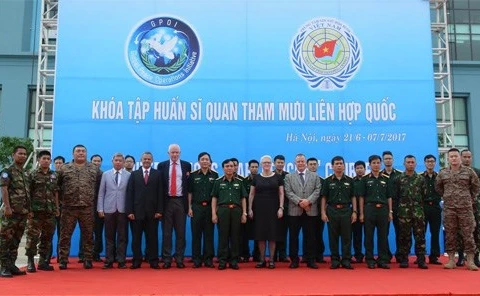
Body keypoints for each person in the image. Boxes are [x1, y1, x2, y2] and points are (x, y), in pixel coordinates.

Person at [56, 144, 102, 270]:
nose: (81, 153)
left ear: (86, 154)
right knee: (65, 235)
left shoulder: (94, 168)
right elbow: (56, 187)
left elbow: (101, 187)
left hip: (87, 208)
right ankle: (63, 260)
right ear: (73, 154)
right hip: (68, 208)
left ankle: (88, 259)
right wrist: (59, 203)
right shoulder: (64, 168)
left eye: (83, 151)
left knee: (88, 235)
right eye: (78, 151)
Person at [436, 148, 480, 271]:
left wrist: (468, 198)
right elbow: (438, 187)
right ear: (448, 159)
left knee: (468, 234)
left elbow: (476, 187)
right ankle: (451, 260)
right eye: (451, 157)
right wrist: (447, 196)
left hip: (465, 208)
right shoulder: (443, 173)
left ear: (459, 157)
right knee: (450, 234)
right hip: (449, 208)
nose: (454, 158)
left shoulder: (469, 172)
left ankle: (470, 261)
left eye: (456, 156)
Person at [126, 151, 163, 269]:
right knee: (136, 238)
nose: (146, 161)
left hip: (153, 213)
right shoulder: (134, 174)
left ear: (152, 161)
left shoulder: (158, 174)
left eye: (148, 159)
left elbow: (160, 194)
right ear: (141, 160)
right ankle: (136, 260)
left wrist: (159, 210)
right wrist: (130, 211)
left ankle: (153, 260)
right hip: (136, 213)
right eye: (144, 159)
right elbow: (129, 193)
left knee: (152, 238)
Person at [284, 153, 321, 269]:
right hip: (294, 211)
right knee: (293, 237)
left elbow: (317, 191)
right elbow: (288, 192)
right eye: (298, 161)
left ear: (306, 163)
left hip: (310, 210)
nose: (300, 163)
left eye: (302, 161)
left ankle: (310, 260)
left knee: (310, 236)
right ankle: (294, 260)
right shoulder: (289, 177)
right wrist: (300, 202)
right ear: (295, 163)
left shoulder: (315, 176)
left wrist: (308, 202)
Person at [158, 144, 191, 269]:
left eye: (177, 152)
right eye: (172, 152)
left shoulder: (186, 165)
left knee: (180, 233)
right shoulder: (162, 166)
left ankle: (179, 258)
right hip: (167, 202)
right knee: (167, 233)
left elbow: (188, 187)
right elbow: (160, 187)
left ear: (180, 153)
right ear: (168, 153)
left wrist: (188, 206)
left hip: (180, 202)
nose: (175, 155)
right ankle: (166, 259)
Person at [25, 150, 59, 273]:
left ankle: (43, 261)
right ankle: (30, 261)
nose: (46, 161)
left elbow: (56, 192)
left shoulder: (54, 175)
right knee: (32, 237)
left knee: (47, 237)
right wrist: (29, 209)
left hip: (49, 212)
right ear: (39, 160)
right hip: (35, 212)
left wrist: (57, 208)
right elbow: (28, 193)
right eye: (43, 158)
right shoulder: (32, 174)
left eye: (48, 159)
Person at [248, 155, 285, 269]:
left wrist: (281, 207)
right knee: (261, 235)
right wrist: (249, 208)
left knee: (272, 235)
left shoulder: (278, 177)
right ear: (261, 165)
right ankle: (262, 259)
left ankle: (272, 260)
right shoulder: (256, 178)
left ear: (271, 164)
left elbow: (281, 193)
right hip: (259, 209)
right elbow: (252, 194)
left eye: (269, 163)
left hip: (274, 208)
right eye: (264, 163)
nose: (267, 165)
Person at [321, 156, 356, 269]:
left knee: (347, 237)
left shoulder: (350, 181)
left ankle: (346, 260)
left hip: (346, 210)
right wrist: (323, 212)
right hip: (332, 210)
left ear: (344, 166)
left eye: (341, 163)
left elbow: (353, 197)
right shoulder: (327, 181)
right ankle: (335, 260)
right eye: (336, 164)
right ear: (332, 166)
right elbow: (324, 198)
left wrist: (354, 211)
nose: (339, 165)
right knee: (333, 237)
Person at [0, 145, 31, 277]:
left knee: (16, 240)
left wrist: (28, 210)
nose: (23, 156)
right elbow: (4, 189)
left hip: (22, 212)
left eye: (24, 154)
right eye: (20, 153)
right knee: (5, 240)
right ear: (14, 155)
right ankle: (3, 267)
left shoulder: (25, 173)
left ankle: (12, 265)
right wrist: (7, 207)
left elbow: (27, 193)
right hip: (10, 212)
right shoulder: (8, 171)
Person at [211, 159, 247, 270]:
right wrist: (213, 213)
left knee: (235, 236)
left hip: (236, 211)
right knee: (223, 236)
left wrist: (244, 213)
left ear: (234, 167)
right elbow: (214, 198)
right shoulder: (218, 181)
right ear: (223, 168)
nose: (230, 168)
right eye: (227, 166)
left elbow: (243, 198)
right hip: (223, 210)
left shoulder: (239, 182)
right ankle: (222, 261)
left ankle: (234, 261)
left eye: (231, 166)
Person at [358, 154, 393, 269]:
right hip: (369, 209)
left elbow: (389, 197)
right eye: (374, 163)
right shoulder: (365, 179)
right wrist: (362, 213)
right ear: (370, 165)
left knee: (383, 236)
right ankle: (370, 259)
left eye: (378, 163)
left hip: (383, 209)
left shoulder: (386, 179)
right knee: (369, 236)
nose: (376, 165)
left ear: (381, 163)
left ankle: (382, 259)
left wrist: (390, 211)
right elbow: (361, 197)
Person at [393, 155, 428, 269]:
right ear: (404, 164)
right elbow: (396, 196)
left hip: (418, 213)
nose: (410, 164)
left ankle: (421, 260)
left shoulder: (421, 179)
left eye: (412, 162)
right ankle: (404, 259)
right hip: (404, 213)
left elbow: (424, 195)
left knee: (420, 237)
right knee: (404, 237)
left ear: (416, 164)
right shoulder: (398, 179)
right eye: (408, 162)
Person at [97, 153, 130, 269]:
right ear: (112, 161)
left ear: (124, 162)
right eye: (116, 160)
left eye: (120, 160)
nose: (118, 162)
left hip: (123, 210)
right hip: (108, 210)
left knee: (122, 237)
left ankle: (121, 261)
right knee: (109, 237)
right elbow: (101, 193)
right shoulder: (106, 175)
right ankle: (109, 260)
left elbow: (130, 195)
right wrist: (100, 209)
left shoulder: (128, 175)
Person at [187, 152, 218, 268]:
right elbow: (189, 192)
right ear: (199, 161)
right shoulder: (193, 175)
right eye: (202, 159)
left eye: (207, 159)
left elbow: (216, 195)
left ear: (210, 161)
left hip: (210, 207)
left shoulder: (215, 175)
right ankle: (196, 259)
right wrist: (189, 207)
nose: (205, 161)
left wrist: (215, 210)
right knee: (196, 234)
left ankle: (208, 259)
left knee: (209, 234)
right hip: (196, 207)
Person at [78, 154, 104, 263]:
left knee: (98, 232)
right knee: (85, 231)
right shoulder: (85, 173)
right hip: (86, 206)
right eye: (94, 161)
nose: (96, 163)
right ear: (91, 161)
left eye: (98, 161)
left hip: (98, 207)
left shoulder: (104, 175)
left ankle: (96, 253)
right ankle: (82, 254)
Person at [456, 149, 480, 267]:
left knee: (475, 232)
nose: (467, 159)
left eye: (469, 157)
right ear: (460, 157)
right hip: (460, 207)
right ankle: (460, 256)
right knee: (460, 232)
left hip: (475, 207)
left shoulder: (477, 172)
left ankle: (475, 257)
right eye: (464, 156)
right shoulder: (455, 172)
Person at [381, 151, 402, 263]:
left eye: (390, 158)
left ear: (393, 160)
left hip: (398, 206)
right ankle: (386, 255)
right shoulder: (379, 175)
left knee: (400, 232)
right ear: (383, 161)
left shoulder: (399, 174)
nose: (388, 160)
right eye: (386, 159)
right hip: (384, 207)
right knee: (384, 232)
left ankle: (400, 254)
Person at [422, 154, 442, 265]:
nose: (430, 163)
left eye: (432, 161)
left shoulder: (439, 177)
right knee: (421, 233)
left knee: (435, 232)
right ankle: (421, 256)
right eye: (428, 161)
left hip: (435, 207)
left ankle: (434, 256)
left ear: (435, 163)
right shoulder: (420, 177)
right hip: (423, 207)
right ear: (425, 163)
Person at [307, 157, 326, 263]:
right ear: (307, 166)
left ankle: (319, 255)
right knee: (308, 234)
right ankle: (307, 255)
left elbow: (324, 197)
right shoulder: (302, 179)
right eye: (311, 164)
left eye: (315, 164)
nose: (313, 166)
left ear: (317, 166)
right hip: (305, 211)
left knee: (318, 234)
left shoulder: (323, 181)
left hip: (318, 211)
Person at [231, 157, 250, 262]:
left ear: (238, 166)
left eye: (235, 165)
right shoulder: (221, 179)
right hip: (227, 211)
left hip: (240, 210)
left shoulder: (243, 180)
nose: (233, 167)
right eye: (231, 165)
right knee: (229, 234)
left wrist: (244, 212)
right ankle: (230, 254)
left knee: (242, 234)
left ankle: (243, 254)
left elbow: (245, 197)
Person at [272, 154, 290, 263]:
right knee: (274, 231)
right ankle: (273, 255)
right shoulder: (270, 175)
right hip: (272, 207)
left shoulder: (288, 176)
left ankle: (283, 254)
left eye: (282, 162)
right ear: (274, 163)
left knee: (283, 231)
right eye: (278, 162)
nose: (280, 164)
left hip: (286, 207)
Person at [48, 155, 65, 264]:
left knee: (62, 234)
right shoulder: (50, 175)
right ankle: (47, 256)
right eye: (56, 163)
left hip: (64, 209)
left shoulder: (66, 176)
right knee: (48, 233)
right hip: (50, 209)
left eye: (60, 163)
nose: (58, 165)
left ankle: (61, 257)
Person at [244, 160, 260, 262]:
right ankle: (245, 254)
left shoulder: (261, 179)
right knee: (245, 233)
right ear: (249, 168)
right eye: (252, 167)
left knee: (258, 233)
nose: (254, 168)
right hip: (247, 210)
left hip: (259, 210)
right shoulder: (244, 180)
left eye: (256, 167)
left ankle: (257, 254)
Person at [352, 160, 366, 263]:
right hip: (355, 211)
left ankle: (369, 254)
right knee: (357, 235)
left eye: (361, 168)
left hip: (369, 211)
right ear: (355, 170)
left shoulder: (368, 180)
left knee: (368, 235)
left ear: (365, 169)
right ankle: (358, 255)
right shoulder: (351, 181)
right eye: (357, 168)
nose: (360, 170)